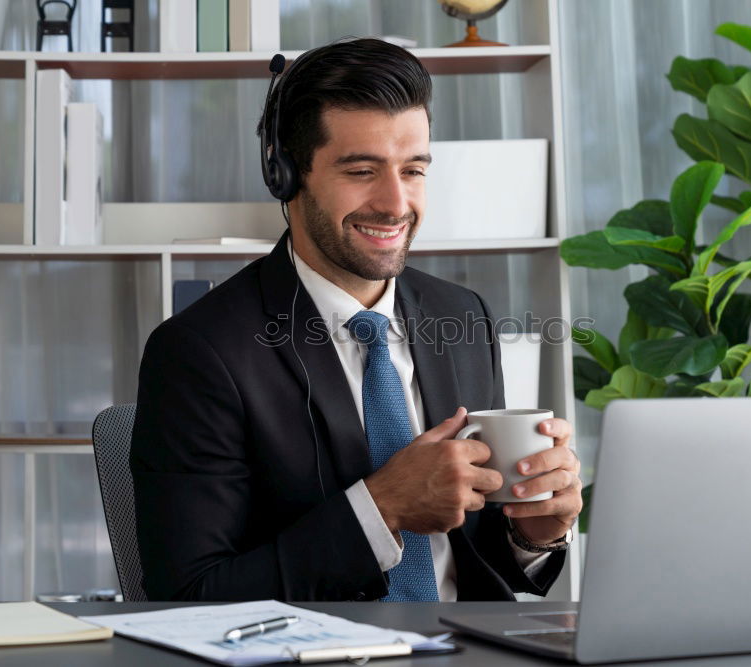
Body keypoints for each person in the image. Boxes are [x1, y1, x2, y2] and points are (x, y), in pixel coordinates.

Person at [130, 38, 582, 602]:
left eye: (413, 170)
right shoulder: (199, 351)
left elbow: (475, 553)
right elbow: (187, 595)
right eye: (363, 170)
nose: (395, 203)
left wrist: (532, 535)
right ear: (287, 176)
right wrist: (383, 506)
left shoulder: (463, 316)